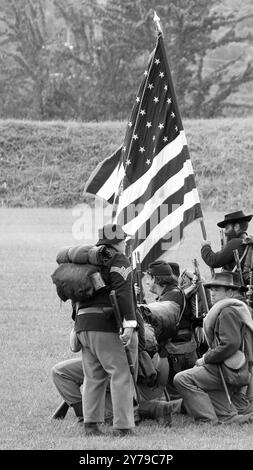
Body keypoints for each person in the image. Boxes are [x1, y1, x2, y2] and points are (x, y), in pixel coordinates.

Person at [74, 223, 138, 436]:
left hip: (83, 325)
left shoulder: (88, 259)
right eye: (124, 241)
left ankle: (90, 425)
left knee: (93, 376)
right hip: (104, 324)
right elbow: (123, 291)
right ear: (118, 241)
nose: (125, 244)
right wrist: (129, 324)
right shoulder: (118, 259)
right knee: (120, 374)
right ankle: (123, 426)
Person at [173, 271, 253, 424]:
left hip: (228, 370)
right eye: (211, 289)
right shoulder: (242, 308)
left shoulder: (227, 312)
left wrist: (205, 358)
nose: (212, 293)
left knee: (182, 379)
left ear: (229, 292)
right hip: (238, 369)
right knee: (229, 417)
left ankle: (206, 420)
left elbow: (229, 344)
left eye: (217, 289)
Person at [51, 352, 183, 427]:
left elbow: (75, 344)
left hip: (117, 368)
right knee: (61, 371)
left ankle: (155, 408)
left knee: (107, 414)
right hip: (111, 362)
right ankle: (162, 407)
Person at [140, 261, 198, 397]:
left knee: (178, 397)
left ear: (156, 279)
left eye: (149, 277)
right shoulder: (172, 293)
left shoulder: (172, 296)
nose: (146, 282)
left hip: (176, 353)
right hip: (181, 351)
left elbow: (160, 327)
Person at [201, 210, 253, 281]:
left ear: (236, 227)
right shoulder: (247, 242)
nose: (225, 232)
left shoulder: (236, 243)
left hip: (233, 288)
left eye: (227, 228)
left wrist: (205, 247)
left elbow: (213, 261)